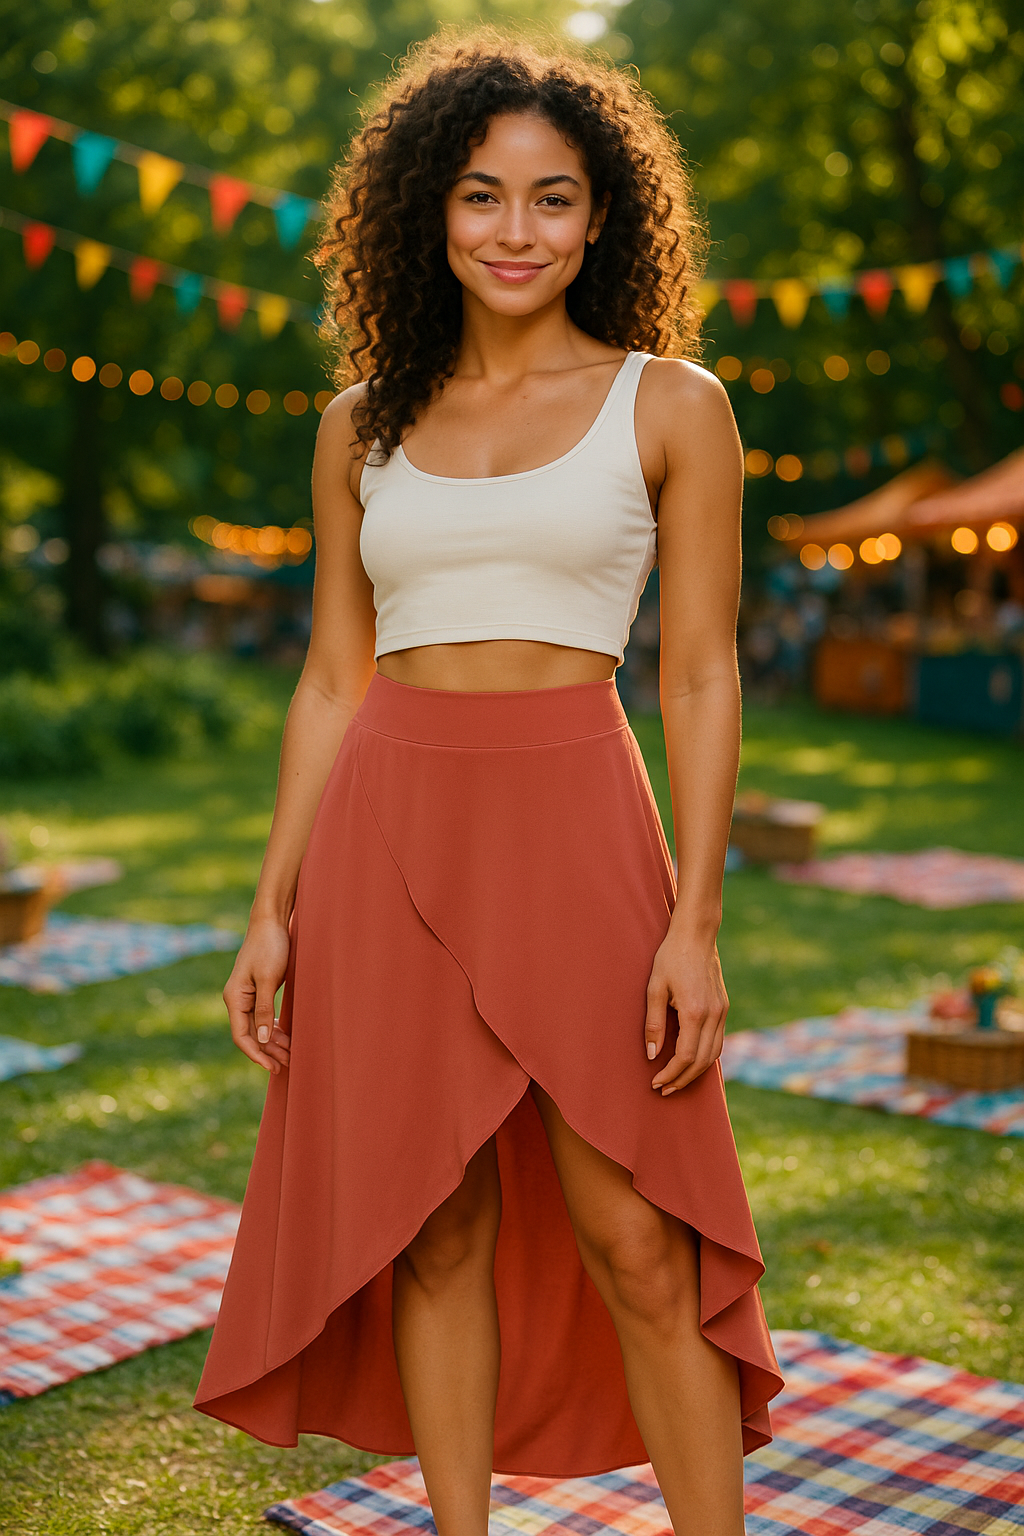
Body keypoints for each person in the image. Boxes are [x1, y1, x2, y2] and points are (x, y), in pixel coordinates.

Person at [194, 31, 782, 1536]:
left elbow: (701, 672)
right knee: (433, 1231)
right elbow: (333, 680)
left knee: (639, 1238)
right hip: (385, 830)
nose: (516, 232)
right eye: (481, 196)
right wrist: (272, 909)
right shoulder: (359, 426)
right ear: (427, 214)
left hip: (580, 828)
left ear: (604, 221)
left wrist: (695, 924)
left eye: (554, 199)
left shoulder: (672, 404)